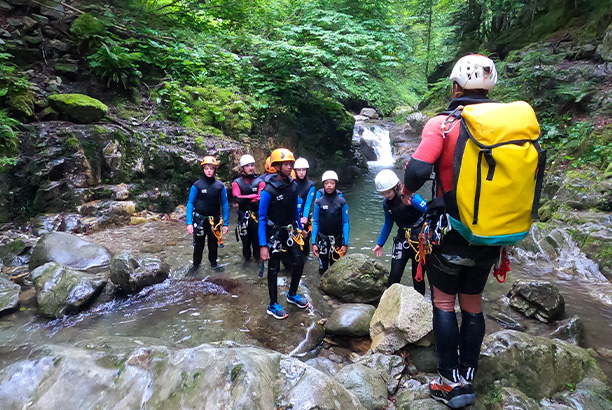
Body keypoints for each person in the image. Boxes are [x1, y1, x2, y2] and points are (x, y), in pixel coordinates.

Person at [403, 54, 502, 409]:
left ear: (456, 86)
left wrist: (404, 193)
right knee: (472, 304)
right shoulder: (508, 128)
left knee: (444, 302)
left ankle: (449, 381)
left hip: (451, 231)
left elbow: (415, 174)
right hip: (493, 233)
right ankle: (468, 373)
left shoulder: (443, 124)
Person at [259, 148, 308, 319]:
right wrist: (263, 245)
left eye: (290, 164)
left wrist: (300, 229)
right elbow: (262, 218)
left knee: (299, 261)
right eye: (286, 164)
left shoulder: (293, 186)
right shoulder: (268, 190)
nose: (289, 167)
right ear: (277, 167)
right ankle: (272, 304)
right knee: (273, 269)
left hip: (288, 231)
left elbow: (294, 208)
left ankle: (292, 293)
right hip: (273, 233)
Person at [372, 169, 427, 294]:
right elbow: (388, 224)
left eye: (388, 192)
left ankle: (420, 305)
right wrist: (380, 244)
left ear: (396, 186)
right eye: (383, 193)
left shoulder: (411, 197)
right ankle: (388, 303)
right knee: (395, 274)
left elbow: (428, 212)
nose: (386, 195)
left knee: (418, 276)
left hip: (418, 239)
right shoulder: (387, 204)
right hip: (402, 238)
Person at [186, 156, 230, 270]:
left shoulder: (220, 186)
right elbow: (190, 203)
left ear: (215, 169)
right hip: (199, 219)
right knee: (198, 245)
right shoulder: (197, 185)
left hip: (214, 220)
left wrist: (225, 223)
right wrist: (189, 223)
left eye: (211, 168)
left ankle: (214, 265)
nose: (209, 171)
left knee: (213, 244)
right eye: (206, 168)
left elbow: (225, 204)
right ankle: (195, 266)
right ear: (203, 169)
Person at [311, 171, 349, 275]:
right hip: (322, 238)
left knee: (335, 267)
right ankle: (321, 287)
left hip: (337, 239)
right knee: (322, 267)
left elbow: (345, 222)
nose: (329, 185)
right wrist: (313, 242)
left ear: (335, 184)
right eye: (327, 183)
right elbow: (315, 222)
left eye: (332, 183)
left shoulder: (342, 202)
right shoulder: (319, 202)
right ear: (323, 184)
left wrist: (345, 243)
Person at [232, 154, 261, 262]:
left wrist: (245, 198)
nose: (250, 168)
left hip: (256, 216)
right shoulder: (237, 182)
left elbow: (261, 198)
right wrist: (253, 196)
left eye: (252, 165)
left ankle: (257, 266)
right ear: (242, 168)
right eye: (247, 166)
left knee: (257, 242)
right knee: (245, 243)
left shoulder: (259, 181)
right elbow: (237, 198)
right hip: (243, 217)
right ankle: (246, 264)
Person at [294, 157, 316, 257]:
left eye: (303, 170)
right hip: (294, 215)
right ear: (296, 171)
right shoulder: (292, 183)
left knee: (305, 242)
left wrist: (305, 218)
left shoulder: (310, 185)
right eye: (299, 170)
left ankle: (305, 262)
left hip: (305, 216)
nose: (301, 172)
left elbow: (308, 203)